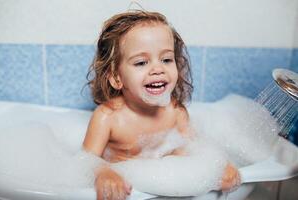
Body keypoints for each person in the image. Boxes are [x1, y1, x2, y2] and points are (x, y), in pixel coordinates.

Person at [83, 10, 240, 200]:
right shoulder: (107, 117)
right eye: (141, 62)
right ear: (116, 78)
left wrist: (219, 167)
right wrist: (103, 173)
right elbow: (86, 162)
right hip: (128, 189)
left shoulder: (175, 112)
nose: (158, 69)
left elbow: (192, 151)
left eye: (166, 59)